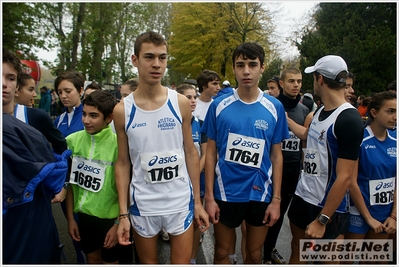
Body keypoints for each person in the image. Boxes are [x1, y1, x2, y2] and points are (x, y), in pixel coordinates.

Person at [113, 31, 209, 264]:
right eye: (149, 57)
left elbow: (190, 153)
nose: (157, 64)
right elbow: (123, 162)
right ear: (135, 60)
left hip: (179, 202)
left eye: (162, 57)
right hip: (143, 205)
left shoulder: (180, 103)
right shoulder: (122, 110)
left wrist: (197, 202)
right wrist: (123, 214)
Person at [201, 42, 289, 264]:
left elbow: (277, 155)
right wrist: (209, 198)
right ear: (233, 68)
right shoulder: (219, 105)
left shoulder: (274, 107)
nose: (246, 71)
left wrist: (276, 200)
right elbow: (210, 153)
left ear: (262, 67)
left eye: (252, 64)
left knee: (254, 254)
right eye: (240, 65)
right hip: (225, 193)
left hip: (260, 193)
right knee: (221, 252)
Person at [287, 55, 364, 264]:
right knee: (298, 250)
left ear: (320, 79)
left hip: (327, 207)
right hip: (303, 195)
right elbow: (307, 136)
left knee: (326, 259)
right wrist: (283, 117)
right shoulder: (320, 111)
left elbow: (345, 177)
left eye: (313, 77)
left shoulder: (348, 119)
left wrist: (323, 219)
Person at [3, 47, 71, 264]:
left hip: (36, 219)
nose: (4, 83)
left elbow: (61, 147)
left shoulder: (36, 119)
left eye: (10, 78)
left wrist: (64, 185)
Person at [65, 90, 121, 264]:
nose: (86, 120)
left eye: (94, 116)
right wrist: (71, 220)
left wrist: (118, 223)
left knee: (110, 262)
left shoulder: (119, 144)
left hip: (110, 219)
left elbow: (126, 188)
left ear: (109, 118)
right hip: (84, 218)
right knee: (92, 259)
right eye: (84, 114)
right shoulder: (71, 141)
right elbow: (69, 185)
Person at [262, 67, 309, 264]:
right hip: (271, 169)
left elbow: (305, 145)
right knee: (263, 215)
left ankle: (269, 250)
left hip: (292, 171)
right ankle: (260, 253)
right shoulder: (271, 106)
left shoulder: (304, 110)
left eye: (299, 81)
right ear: (282, 83)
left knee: (279, 217)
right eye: (291, 81)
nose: (296, 85)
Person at [344, 91, 396, 264]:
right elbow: (351, 182)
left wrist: (394, 216)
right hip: (359, 213)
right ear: (374, 112)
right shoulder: (361, 139)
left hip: (385, 214)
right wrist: (368, 217)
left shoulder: (396, 142)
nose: (395, 117)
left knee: (376, 261)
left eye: (397, 111)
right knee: (348, 261)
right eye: (390, 111)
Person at [54, 70, 86, 264]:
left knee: (89, 232)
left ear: (80, 90)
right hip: (65, 184)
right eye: (60, 92)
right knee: (73, 230)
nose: (64, 96)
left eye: (68, 91)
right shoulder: (58, 119)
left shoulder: (89, 115)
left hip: (86, 182)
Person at [176, 83, 208, 264]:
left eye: (194, 97)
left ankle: (193, 258)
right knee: (178, 224)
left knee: (196, 222)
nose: (193, 100)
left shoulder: (201, 124)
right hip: (177, 181)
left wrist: (194, 171)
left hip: (197, 180)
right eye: (188, 97)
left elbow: (207, 154)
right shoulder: (172, 123)